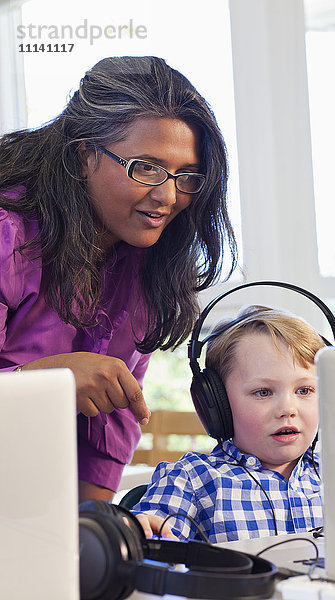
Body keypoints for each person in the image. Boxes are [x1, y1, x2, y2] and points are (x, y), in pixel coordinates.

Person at [0, 56, 237, 502]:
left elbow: (112, 420)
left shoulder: (149, 260)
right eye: (146, 167)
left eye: (185, 176)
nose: (168, 196)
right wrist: (48, 381)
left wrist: (95, 538)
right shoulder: (6, 233)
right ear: (84, 153)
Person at [130, 305, 325, 543]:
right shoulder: (193, 478)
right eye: (263, 392)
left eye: (304, 390)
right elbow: (154, 529)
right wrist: (141, 531)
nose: (287, 409)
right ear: (216, 402)